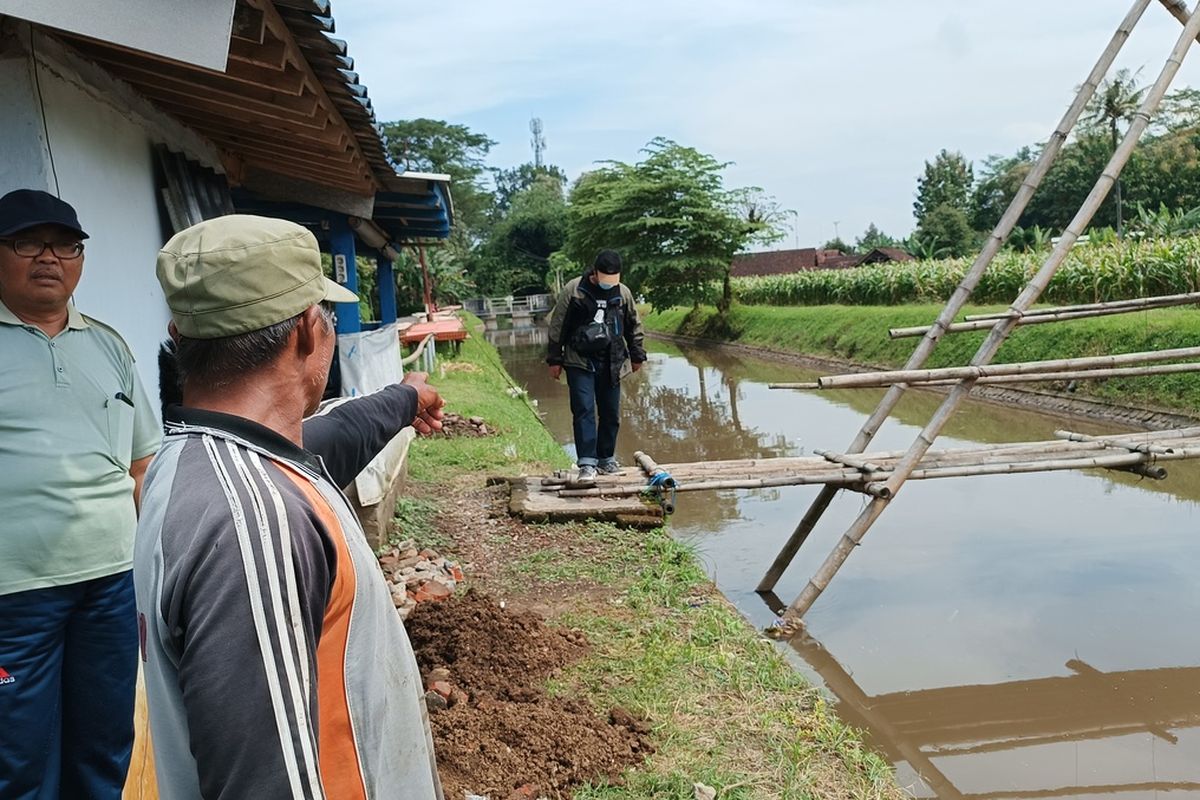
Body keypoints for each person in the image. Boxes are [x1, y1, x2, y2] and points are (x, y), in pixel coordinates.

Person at [135, 215, 445, 799]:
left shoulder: (192, 462)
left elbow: (330, 437)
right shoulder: (255, 524)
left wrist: (404, 398)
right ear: (308, 331)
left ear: (179, 338)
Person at [0, 189, 161, 799]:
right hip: (14, 596)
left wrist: (159, 570)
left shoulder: (109, 346)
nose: (50, 257)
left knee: (103, 742)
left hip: (109, 586)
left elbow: (143, 462)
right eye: (27, 242)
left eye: (66, 244)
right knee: (17, 757)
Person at [546, 249, 646, 481]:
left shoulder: (623, 292)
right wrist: (554, 359)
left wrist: (637, 355)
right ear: (595, 271)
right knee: (584, 410)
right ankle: (587, 464)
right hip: (579, 360)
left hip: (612, 361)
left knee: (611, 413)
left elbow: (633, 324)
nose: (608, 283)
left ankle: (606, 459)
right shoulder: (574, 290)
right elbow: (557, 325)